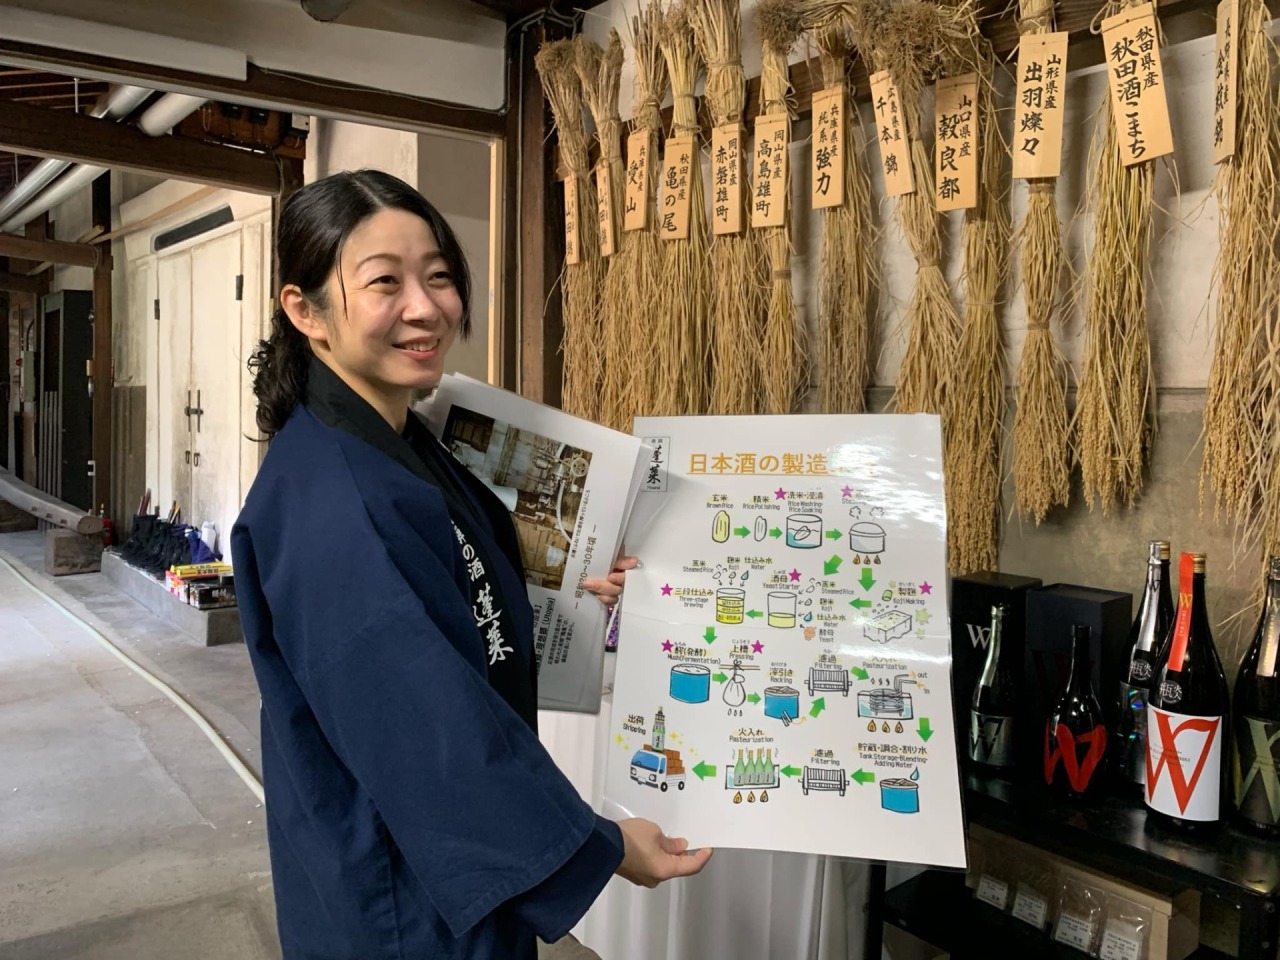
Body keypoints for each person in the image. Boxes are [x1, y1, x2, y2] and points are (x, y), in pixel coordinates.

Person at [231, 170, 711, 960]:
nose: (426, 308)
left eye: (439, 276)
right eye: (385, 282)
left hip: (426, 862)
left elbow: (451, 595)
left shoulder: (392, 441)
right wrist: (604, 848)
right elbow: (431, 735)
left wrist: (576, 593)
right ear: (305, 310)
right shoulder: (335, 505)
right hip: (407, 892)